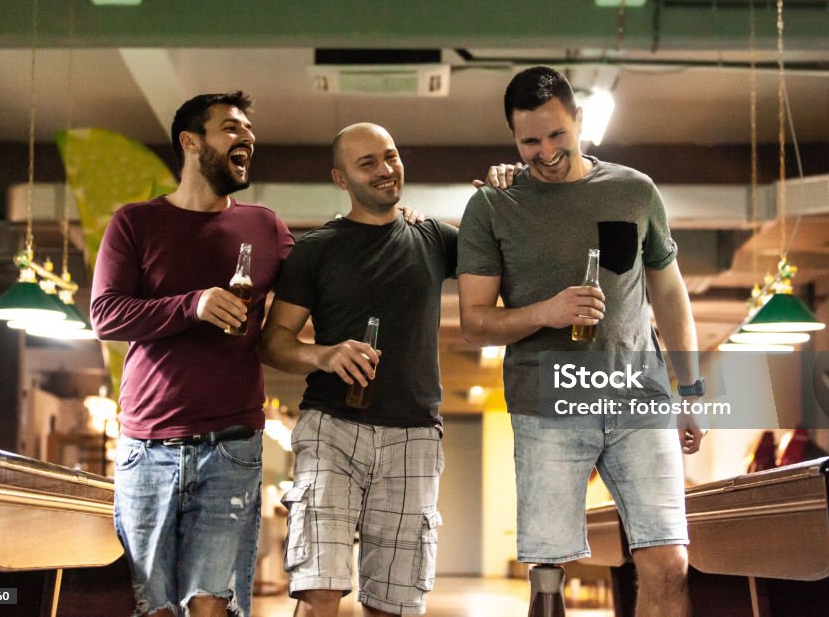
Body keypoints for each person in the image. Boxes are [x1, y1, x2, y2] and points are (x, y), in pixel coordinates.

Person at [457, 66, 707, 617]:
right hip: (547, 405)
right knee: (549, 586)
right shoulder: (493, 206)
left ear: (581, 122)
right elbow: (474, 322)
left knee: (670, 566)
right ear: (512, 139)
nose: (544, 152)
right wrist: (547, 311)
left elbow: (669, 294)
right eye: (529, 141)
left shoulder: (634, 191)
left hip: (640, 399)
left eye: (556, 136)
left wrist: (690, 390)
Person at [91, 91, 294, 617]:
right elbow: (106, 315)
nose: (247, 137)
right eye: (230, 128)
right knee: (152, 606)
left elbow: (325, 281)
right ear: (190, 141)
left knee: (211, 607)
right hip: (146, 447)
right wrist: (193, 304)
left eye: (249, 129)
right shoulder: (134, 223)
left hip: (231, 448)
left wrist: (389, 220)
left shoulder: (266, 227)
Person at [259, 122, 458, 617]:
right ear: (340, 178)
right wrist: (323, 354)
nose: (386, 169)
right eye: (367, 163)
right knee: (319, 588)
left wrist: (505, 190)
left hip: (414, 433)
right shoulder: (316, 248)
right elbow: (274, 341)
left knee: (395, 601)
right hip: (332, 429)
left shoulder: (433, 237)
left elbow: (504, 248)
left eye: (390, 156)